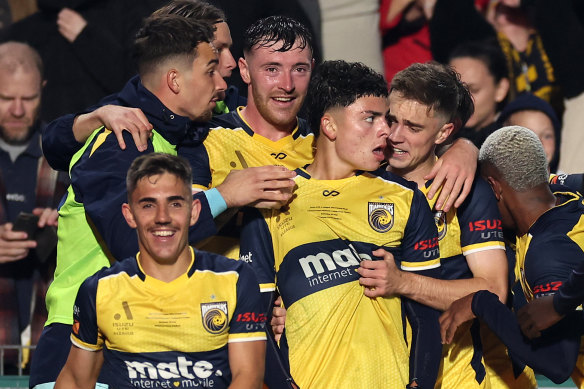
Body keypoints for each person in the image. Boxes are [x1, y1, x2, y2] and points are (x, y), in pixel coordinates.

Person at [29, 14, 228, 388]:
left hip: (139, 337)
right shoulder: (124, 139)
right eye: (213, 67)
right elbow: (129, 242)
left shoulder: (175, 136)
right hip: (82, 342)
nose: (224, 78)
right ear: (174, 79)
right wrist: (225, 197)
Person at [240, 60, 443, 389]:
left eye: (386, 119)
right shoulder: (272, 200)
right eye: (369, 118)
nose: (385, 131)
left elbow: (426, 315)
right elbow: (254, 322)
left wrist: (419, 384)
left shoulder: (405, 198)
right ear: (329, 127)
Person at [356, 62, 535, 389]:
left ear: (444, 132)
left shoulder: (466, 191)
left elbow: (493, 290)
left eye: (413, 127)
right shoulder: (360, 178)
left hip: (465, 376)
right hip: (387, 372)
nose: (395, 136)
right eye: (391, 120)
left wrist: (403, 282)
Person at [54, 153, 266, 389]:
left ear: (194, 211)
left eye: (175, 204)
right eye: (148, 205)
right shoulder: (99, 289)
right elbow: (74, 380)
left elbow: (248, 377)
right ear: (129, 214)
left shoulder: (235, 279)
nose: (162, 218)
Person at [440, 126, 584, 386]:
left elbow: (558, 362)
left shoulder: (548, 254)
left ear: (494, 188)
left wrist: (481, 303)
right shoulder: (570, 192)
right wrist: (467, 149)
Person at [0, 41, 65, 369]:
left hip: (51, 338)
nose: (17, 110)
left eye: (28, 99)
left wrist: (65, 229)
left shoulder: (67, 160)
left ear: (43, 90)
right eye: (5, 98)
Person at [449, 40, 510, 148]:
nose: (461, 101)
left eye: (474, 90)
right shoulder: (439, 137)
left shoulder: (512, 143)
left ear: (501, 89)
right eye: (455, 90)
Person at [497, 92, 560, 173]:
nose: (539, 144)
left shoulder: (568, 183)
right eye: (528, 135)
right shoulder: (486, 182)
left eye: (547, 136)